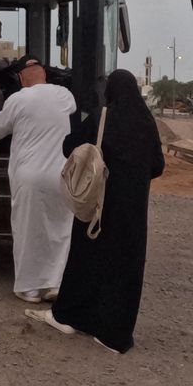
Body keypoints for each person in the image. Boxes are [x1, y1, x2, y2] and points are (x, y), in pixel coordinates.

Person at [43, 69, 165, 353]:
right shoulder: (148, 122)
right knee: (123, 269)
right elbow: (158, 166)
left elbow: (69, 146)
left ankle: (70, 317)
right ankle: (113, 334)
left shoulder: (103, 118)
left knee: (86, 262)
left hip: (99, 208)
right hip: (132, 214)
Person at [0, 59, 78, 303]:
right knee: (59, 230)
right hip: (60, 174)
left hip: (30, 176)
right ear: (44, 76)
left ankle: (29, 288)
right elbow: (69, 109)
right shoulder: (64, 95)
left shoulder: (18, 99)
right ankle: (54, 283)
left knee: (28, 230)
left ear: (22, 79)